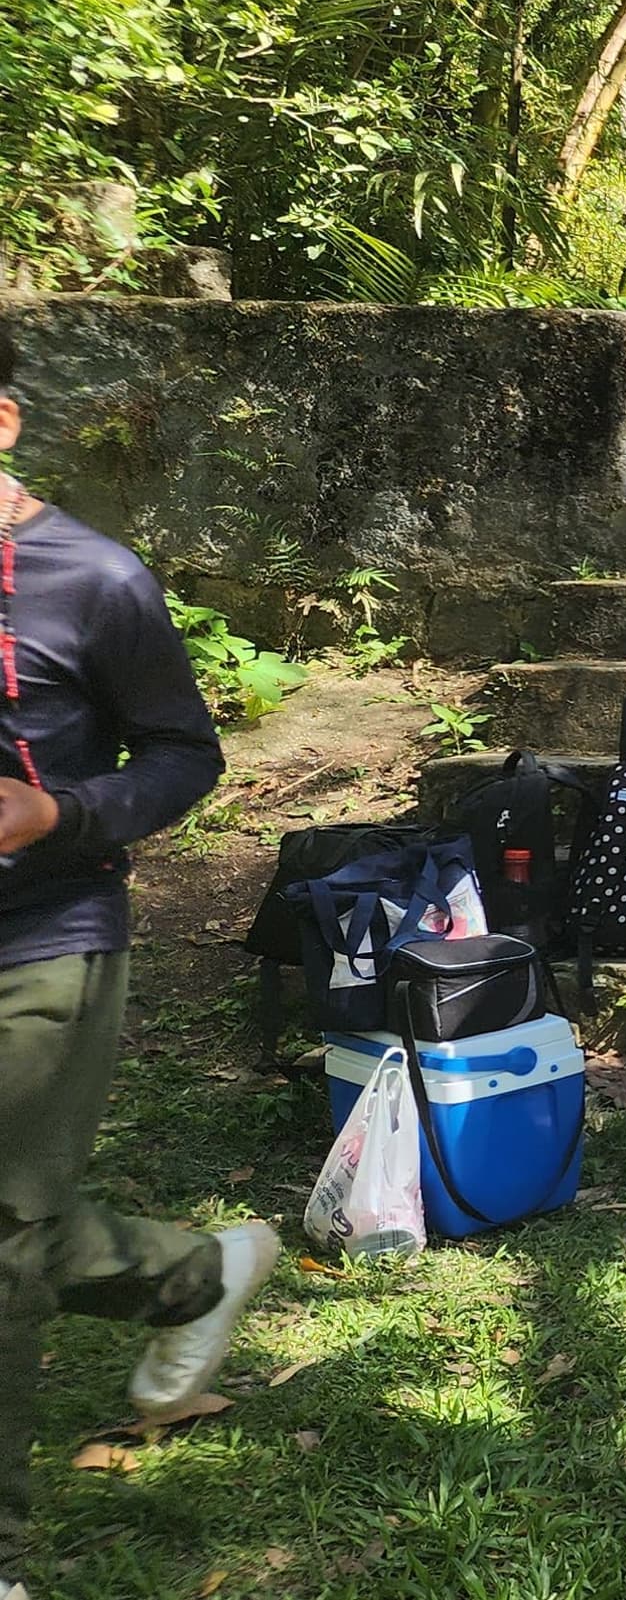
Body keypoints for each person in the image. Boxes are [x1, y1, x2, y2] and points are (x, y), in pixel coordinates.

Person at [0, 323, 256, 1600]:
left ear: (3, 421)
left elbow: (183, 752)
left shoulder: (92, 578)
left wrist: (62, 814)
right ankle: (193, 1271)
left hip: (43, 933)